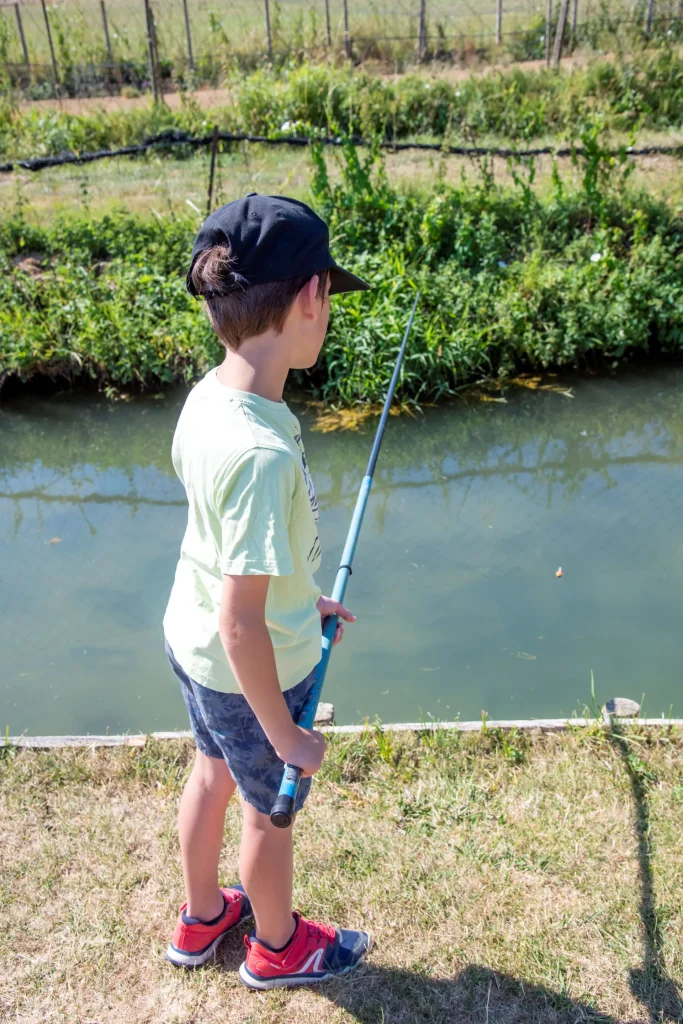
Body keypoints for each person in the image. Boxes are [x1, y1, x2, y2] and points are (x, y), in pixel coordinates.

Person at [162, 194, 372, 989]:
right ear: (311, 296)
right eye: (329, 298)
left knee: (210, 770)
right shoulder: (263, 454)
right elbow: (243, 621)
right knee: (264, 811)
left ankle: (201, 912)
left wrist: (301, 598)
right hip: (245, 665)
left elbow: (234, 557)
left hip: (195, 650)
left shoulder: (209, 399)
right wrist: (285, 735)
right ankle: (278, 945)